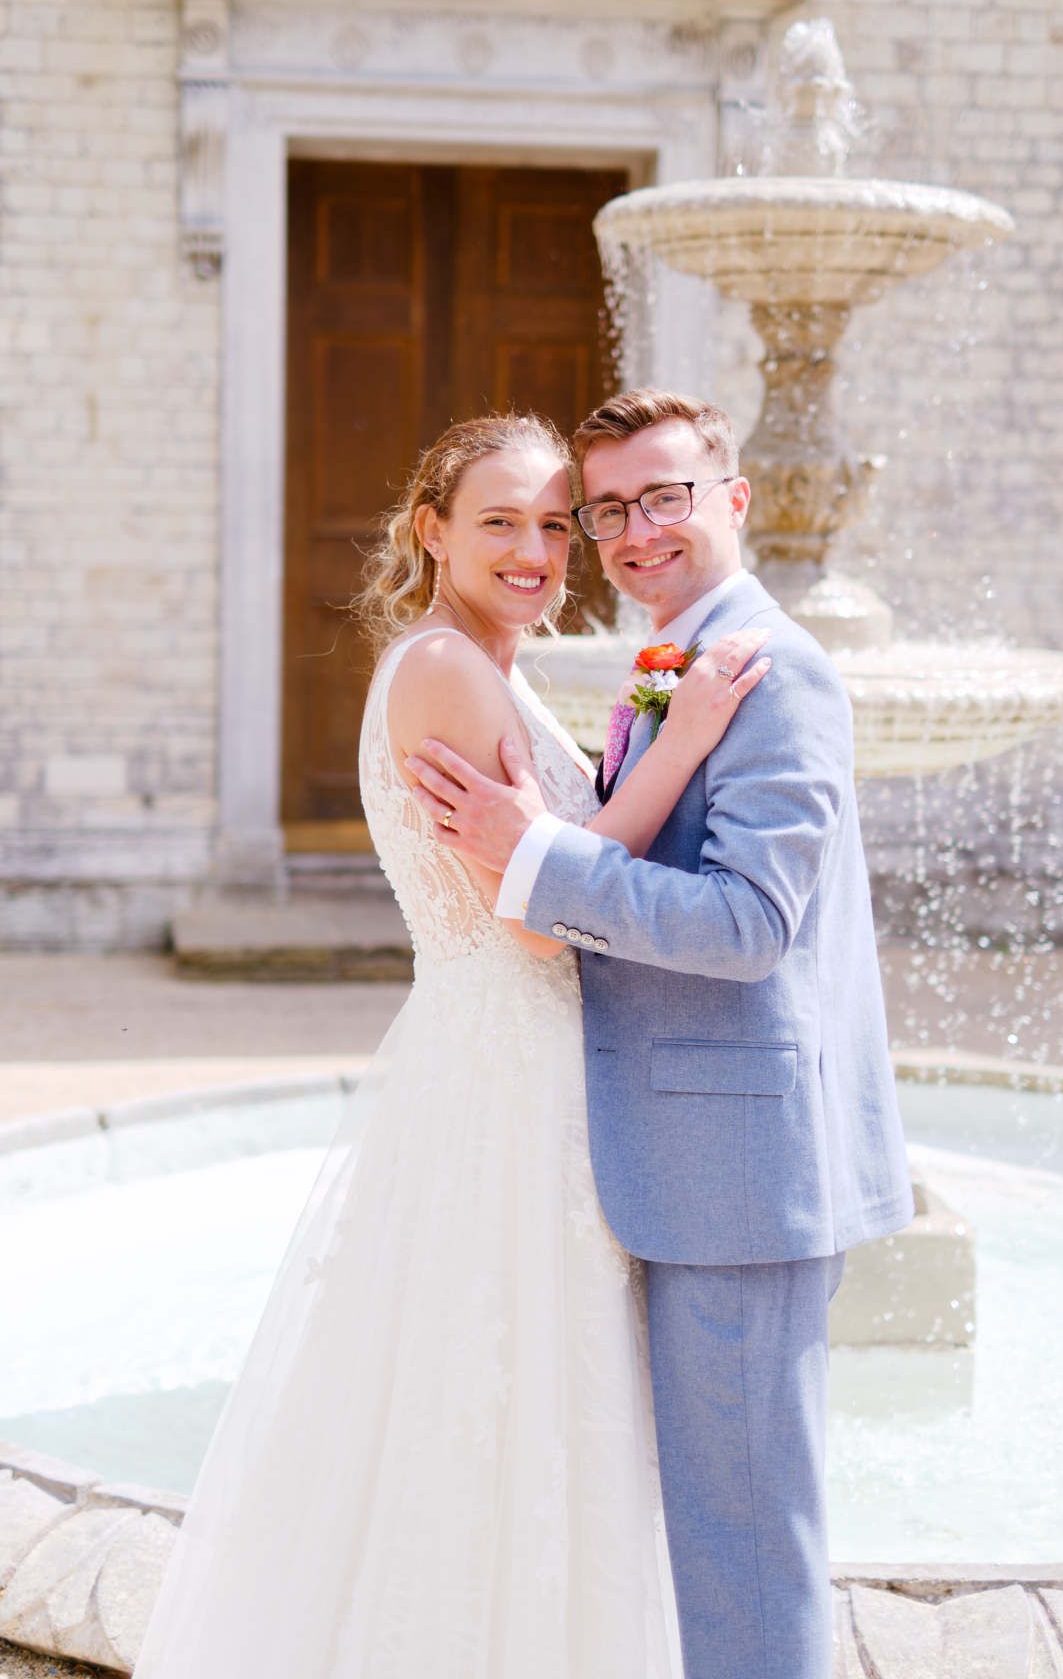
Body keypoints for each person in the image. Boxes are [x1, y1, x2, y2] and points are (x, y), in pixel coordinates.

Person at [131, 411, 771, 1679]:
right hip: (512, 1075)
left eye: (552, 523)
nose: (537, 549)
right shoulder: (441, 673)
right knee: (497, 1387)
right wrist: (690, 734)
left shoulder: (493, 658)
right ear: (429, 531)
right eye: (500, 522)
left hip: (516, 1068)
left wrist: (656, 677)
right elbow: (542, 925)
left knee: (520, 1395)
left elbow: (578, 811)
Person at [403, 389, 915, 1679]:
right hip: (679, 1165)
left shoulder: (772, 670)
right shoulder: (677, 661)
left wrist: (536, 859)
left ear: (733, 499)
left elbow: (749, 926)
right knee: (707, 1542)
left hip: (738, 1179)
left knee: (746, 1554)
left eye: (666, 496)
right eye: (611, 508)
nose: (634, 532)